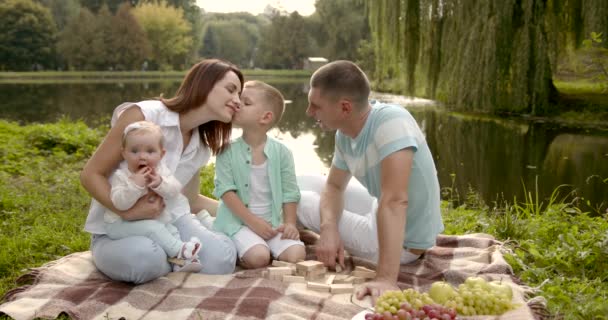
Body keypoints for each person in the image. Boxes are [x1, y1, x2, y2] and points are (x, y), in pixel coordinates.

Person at [81, 59, 241, 284]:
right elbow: (91, 174)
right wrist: (128, 212)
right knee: (148, 260)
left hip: (172, 223)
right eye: (231, 90)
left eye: (240, 95)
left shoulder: (201, 148)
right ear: (205, 83)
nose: (237, 101)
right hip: (117, 228)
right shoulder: (144, 115)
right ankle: (171, 256)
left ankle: (179, 252)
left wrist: (243, 212)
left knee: (221, 260)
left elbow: (191, 199)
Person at [296, 60, 444, 302]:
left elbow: (395, 201)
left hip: (404, 241)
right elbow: (334, 186)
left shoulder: (392, 123)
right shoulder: (344, 134)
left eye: (316, 106)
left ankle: (257, 228)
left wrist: (386, 279)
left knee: (301, 200)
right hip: (379, 208)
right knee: (304, 181)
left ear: (345, 108)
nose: (309, 112)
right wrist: (329, 228)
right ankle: (254, 218)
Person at [213, 80, 305, 269]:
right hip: (239, 224)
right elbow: (226, 192)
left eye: (246, 103)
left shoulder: (282, 153)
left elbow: (290, 192)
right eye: (239, 100)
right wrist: (253, 223)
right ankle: (236, 247)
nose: (237, 104)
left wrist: (289, 223)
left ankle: (267, 247)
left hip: (272, 224)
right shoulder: (226, 151)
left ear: (265, 118)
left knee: (297, 254)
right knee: (259, 258)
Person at [104, 121, 202, 273]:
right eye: (134, 151)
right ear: (124, 153)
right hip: (118, 224)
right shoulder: (122, 176)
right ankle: (180, 251)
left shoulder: (161, 172)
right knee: (153, 228)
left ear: (161, 154)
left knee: (171, 229)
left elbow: (175, 190)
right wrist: (135, 186)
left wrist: (160, 183)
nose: (142, 157)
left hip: (151, 220)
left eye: (150, 151)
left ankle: (179, 263)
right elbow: (119, 204)